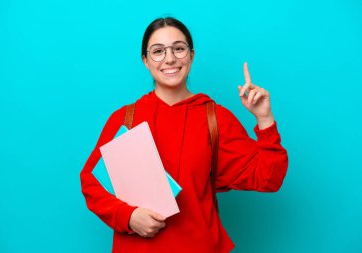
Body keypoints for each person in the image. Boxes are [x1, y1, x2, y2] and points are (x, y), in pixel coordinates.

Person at [80, 17, 288, 253]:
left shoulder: (215, 118)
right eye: (158, 51)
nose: (170, 58)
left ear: (191, 55)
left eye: (178, 49)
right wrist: (128, 216)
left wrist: (264, 119)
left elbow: (269, 178)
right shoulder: (125, 119)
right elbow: (91, 184)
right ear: (145, 61)